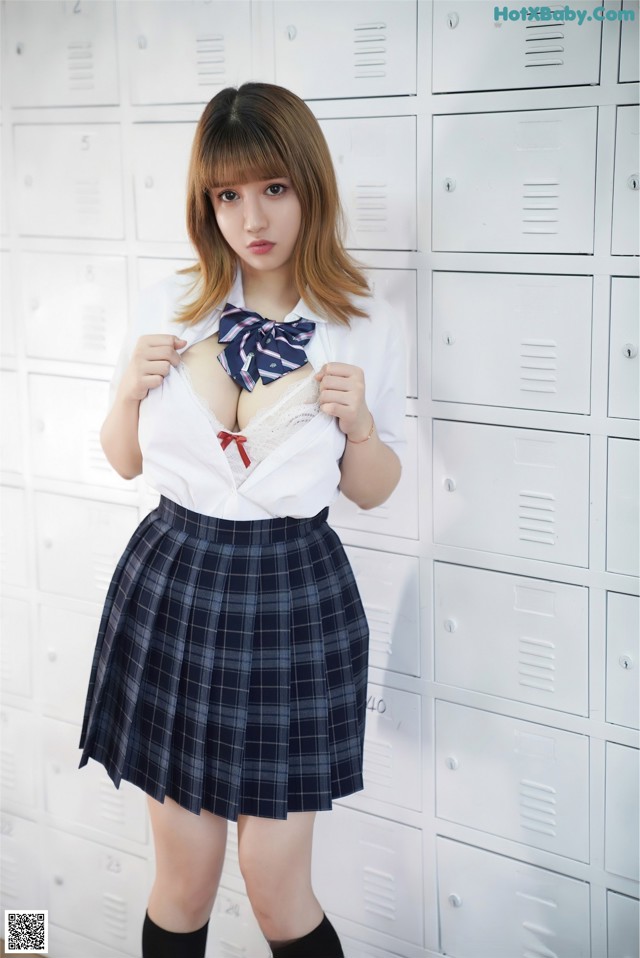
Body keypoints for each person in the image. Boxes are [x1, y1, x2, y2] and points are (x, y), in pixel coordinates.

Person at [78, 82, 406, 958]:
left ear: (309, 186)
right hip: (175, 580)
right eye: (227, 195)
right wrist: (125, 393)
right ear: (206, 202)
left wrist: (362, 428)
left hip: (292, 593)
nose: (250, 217)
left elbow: (372, 489)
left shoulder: (362, 324)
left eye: (272, 189)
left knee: (275, 888)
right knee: (182, 886)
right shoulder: (169, 305)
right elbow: (123, 458)